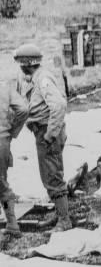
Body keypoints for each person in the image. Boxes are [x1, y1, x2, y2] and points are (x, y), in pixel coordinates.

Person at [14, 43, 72, 232]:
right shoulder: (35, 78)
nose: (20, 67)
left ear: (26, 63)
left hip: (47, 130)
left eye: (21, 63)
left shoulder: (43, 78)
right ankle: (59, 214)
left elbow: (59, 106)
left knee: (52, 175)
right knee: (48, 174)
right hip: (43, 130)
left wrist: (50, 134)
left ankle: (64, 220)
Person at [0, 82, 29, 237]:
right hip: (2, 140)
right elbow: (24, 110)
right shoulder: (5, 87)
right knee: (1, 182)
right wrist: (12, 131)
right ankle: (12, 223)